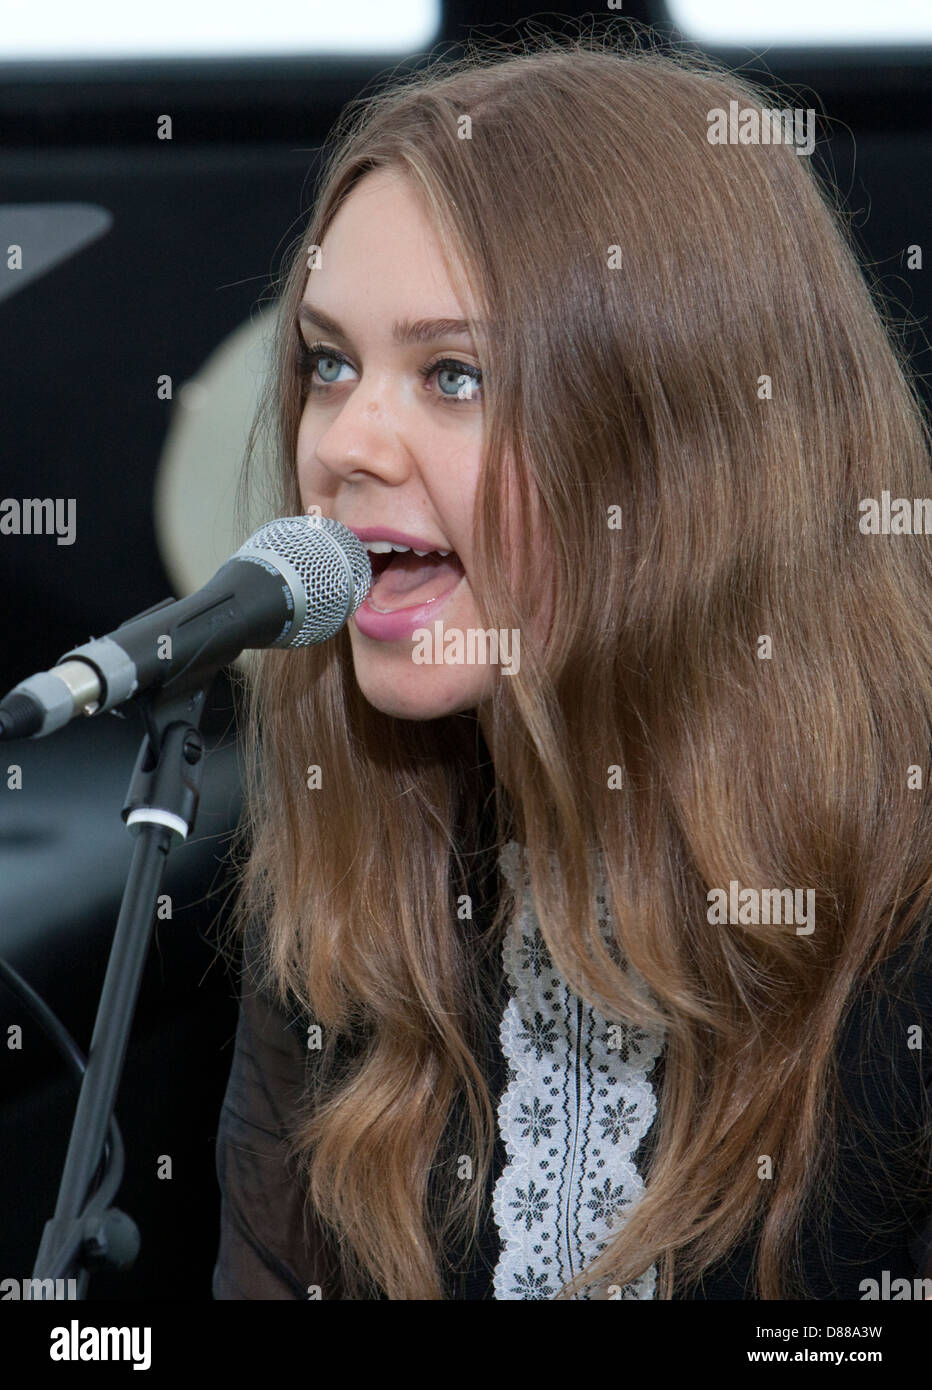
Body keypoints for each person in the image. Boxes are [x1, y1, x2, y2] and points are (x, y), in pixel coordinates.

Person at [212, 29, 932, 1300]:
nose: (345, 441)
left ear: (678, 448)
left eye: (452, 374)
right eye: (330, 362)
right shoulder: (347, 886)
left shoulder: (900, 913)